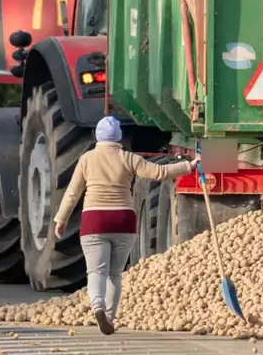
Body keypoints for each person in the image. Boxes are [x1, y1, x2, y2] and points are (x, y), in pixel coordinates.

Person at [53, 116, 199, 335]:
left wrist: (61, 219)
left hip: (94, 220)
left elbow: (73, 193)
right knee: (115, 274)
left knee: (96, 271)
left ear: (97, 136)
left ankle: (97, 306)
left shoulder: (86, 159)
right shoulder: (128, 158)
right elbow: (159, 173)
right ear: (119, 136)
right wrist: (189, 165)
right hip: (123, 220)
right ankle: (110, 317)